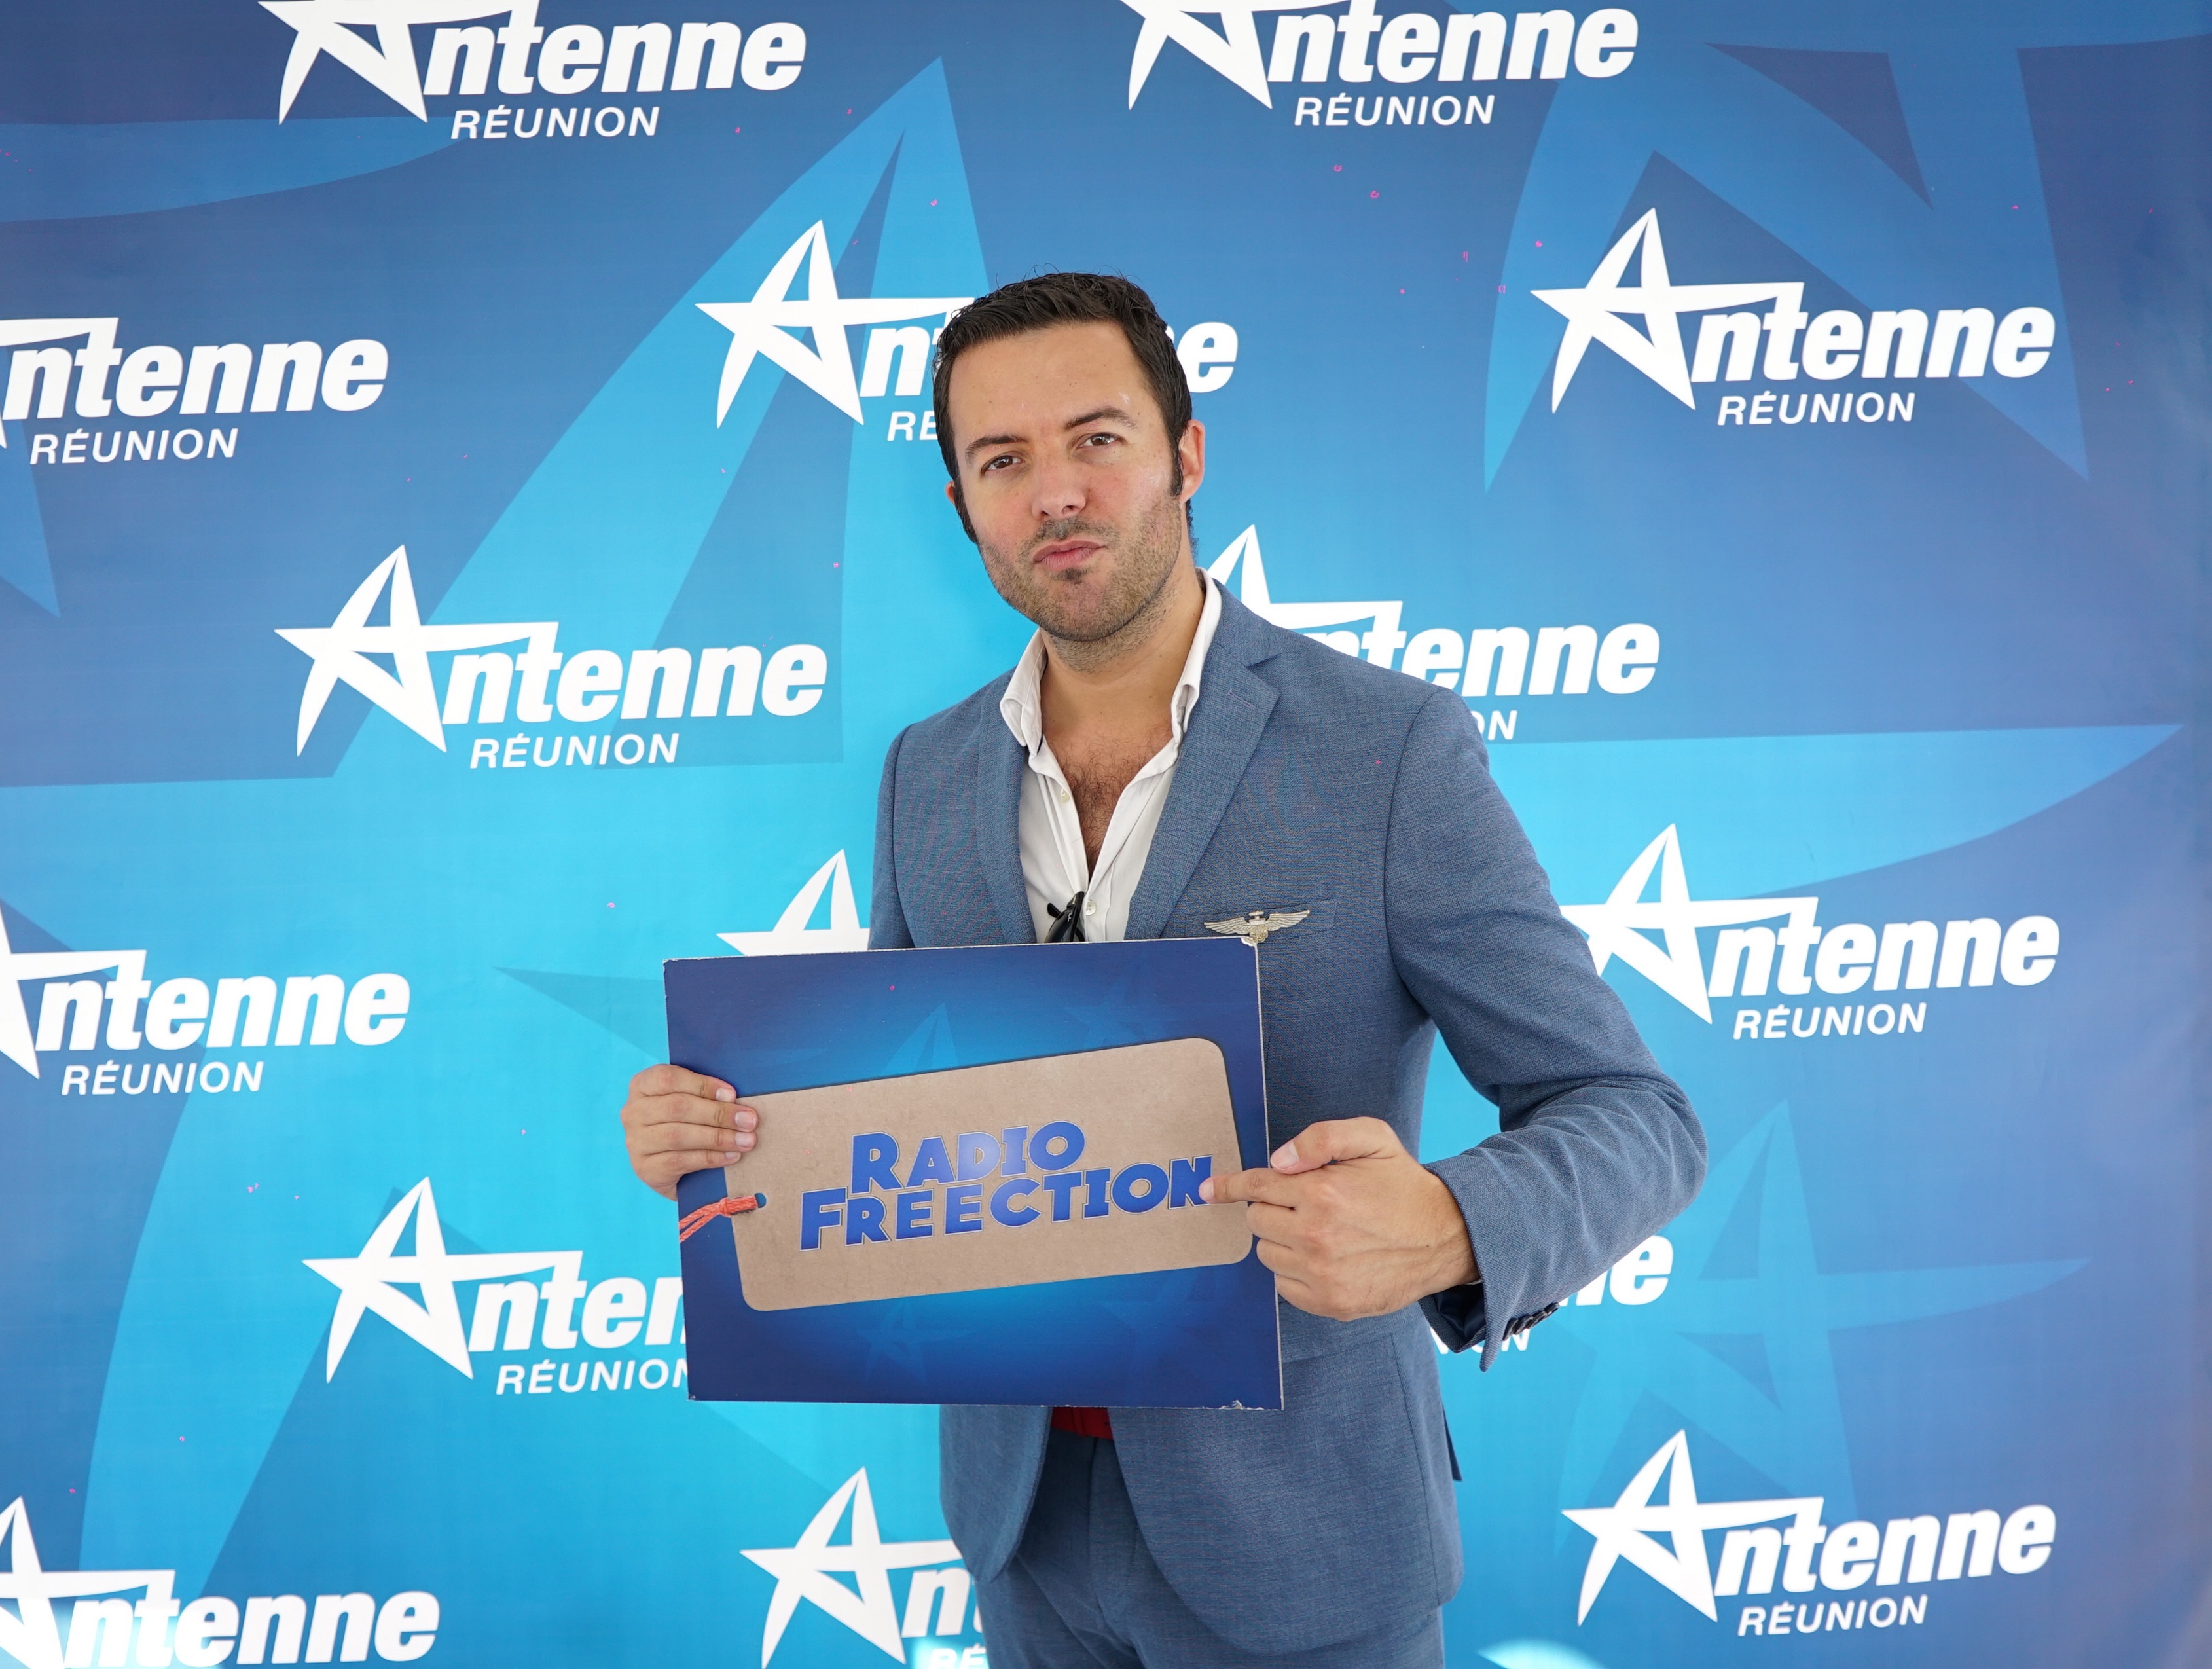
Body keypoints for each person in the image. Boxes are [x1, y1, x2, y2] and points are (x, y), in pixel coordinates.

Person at [619, 273, 1705, 1668]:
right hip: (1022, 1532)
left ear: (1186, 454)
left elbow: (1635, 1114)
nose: (1056, 493)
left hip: (1305, 1537)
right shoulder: (924, 774)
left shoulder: (1388, 750)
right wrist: (725, 1143)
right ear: (960, 504)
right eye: (1002, 461)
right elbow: (901, 1123)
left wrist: (1448, 1222)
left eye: (1098, 439)